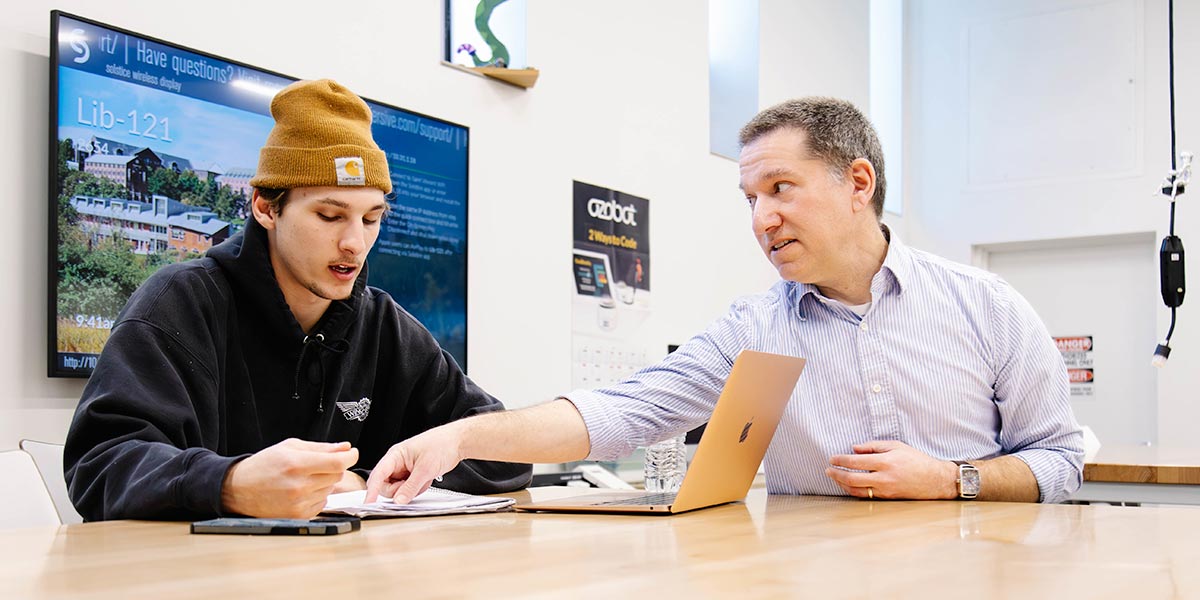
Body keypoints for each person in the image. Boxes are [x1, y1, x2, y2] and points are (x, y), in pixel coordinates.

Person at [366, 97, 1084, 505]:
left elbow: (1059, 459)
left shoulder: (986, 306)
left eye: (780, 190)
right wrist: (458, 436)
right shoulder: (754, 328)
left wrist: (949, 480)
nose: (760, 220)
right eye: (750, 199)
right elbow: (625, 411)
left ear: (857, 183)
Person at [64, 79, 531, 521]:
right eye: (330, 216)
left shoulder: (384, 324)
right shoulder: (180, 303)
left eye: (372, 219)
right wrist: (229, 483)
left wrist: (364, 483)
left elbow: (506, 453)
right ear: (267, 208)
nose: (355, 243)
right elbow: (99, 465)